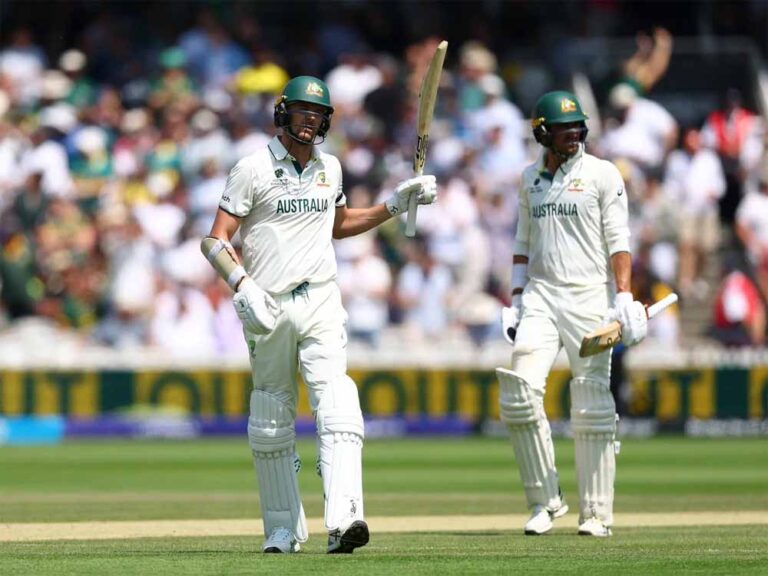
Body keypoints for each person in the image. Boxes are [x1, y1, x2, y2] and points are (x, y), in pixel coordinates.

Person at [201, 76, 436, 554]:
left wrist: (394, 205)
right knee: (271, 415)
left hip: (322, 298)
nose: (310, 121)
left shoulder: (331, 168)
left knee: (338, 401)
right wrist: (242, 284)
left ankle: (345, 520)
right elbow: (214, 238)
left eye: (318, 114)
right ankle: (282, 531)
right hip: (268, 302)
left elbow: (339, 224)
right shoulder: (252, 168)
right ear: (282, 113)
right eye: (302, 112)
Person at [496, 91, 648, 537]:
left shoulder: (602, 173)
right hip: (541, 297)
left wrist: (624, 296)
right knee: (519, 392)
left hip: (590, 298)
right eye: (564, 128)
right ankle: (545, 502)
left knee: (592, 401)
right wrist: (517, 299)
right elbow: (522, 243)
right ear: (542, 132)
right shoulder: (529, 179)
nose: (574, 134)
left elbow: (618, 239)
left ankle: (596, 514)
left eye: (578, 126)